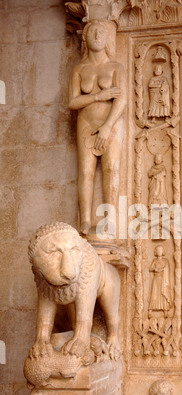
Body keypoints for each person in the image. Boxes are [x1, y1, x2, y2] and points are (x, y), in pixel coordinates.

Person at [69, 20, 126, 236]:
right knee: (85, 171)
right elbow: (72, 102)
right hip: (86, 123)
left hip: (111, 123)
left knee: (111, 168)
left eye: (101, 32)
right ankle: (85, 220)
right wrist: (98, 96)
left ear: (108, 39)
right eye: (92, 31)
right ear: (85, 38)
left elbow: (121, 100)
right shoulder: (79, 69)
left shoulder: (115, 68)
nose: (97, 34)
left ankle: (110, 219)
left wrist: (108, 125)